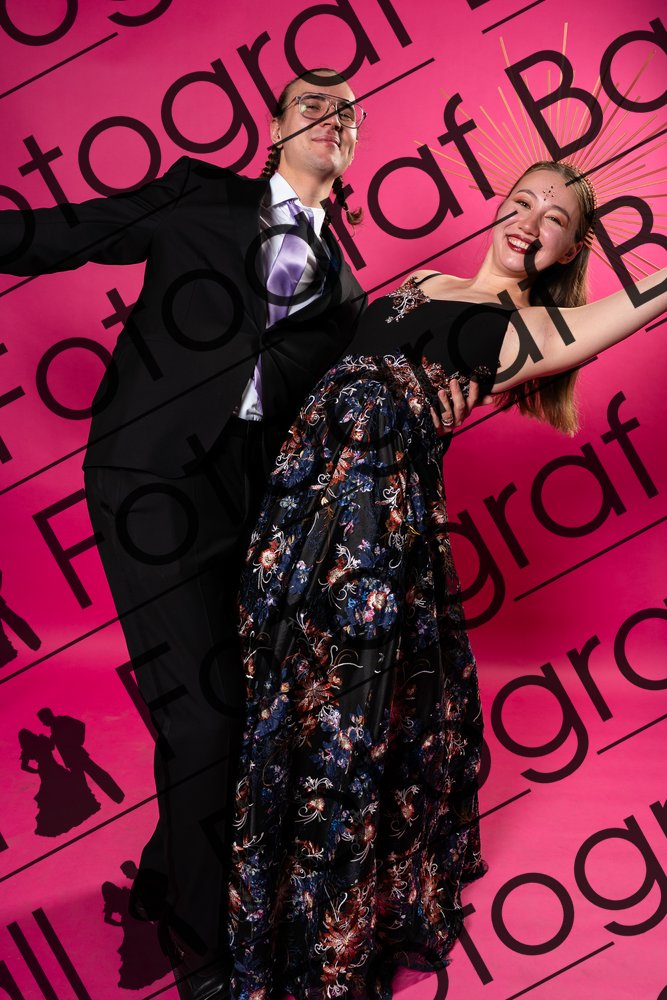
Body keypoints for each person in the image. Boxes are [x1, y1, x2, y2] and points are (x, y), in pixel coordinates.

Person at [1, 67, 437, 1000]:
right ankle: (202, 948)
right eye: (313, 104)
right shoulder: (198, 195)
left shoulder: (346, 289)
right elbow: (70, 232)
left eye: (350, 114)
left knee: (239, 712)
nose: (333, 118)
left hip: (248, 508)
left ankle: (167, 877)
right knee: (203, 716)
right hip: (150, 477)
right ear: (274, 128)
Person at [226, 160, 667, 998]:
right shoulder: (423, 280)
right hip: (297, 507)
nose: (529, 220)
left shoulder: (532, 330)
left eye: (554, 219)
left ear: (569, 249)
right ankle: (264, 912)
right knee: (280, 702)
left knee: (343, 731)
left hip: (374, 539)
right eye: (523, 200)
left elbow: (642, 300)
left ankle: (323, 953)